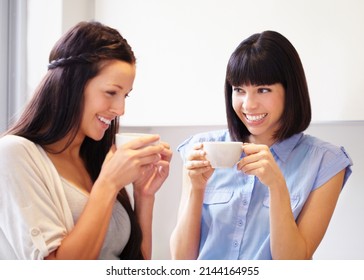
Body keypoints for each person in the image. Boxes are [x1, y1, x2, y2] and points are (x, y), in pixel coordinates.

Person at [170, 30, 352, 260]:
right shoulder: (201, 149)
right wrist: (196, 190)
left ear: (290, 90)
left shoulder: (326, 162)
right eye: (239, 90)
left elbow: (294, 264)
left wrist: (277, 187)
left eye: (263, 90)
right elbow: (180, 260)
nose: (249, 104)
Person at [0, 21, 172, 260]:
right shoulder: (14, 154)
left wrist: (144, 195)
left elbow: (134, 265)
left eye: (125, 96)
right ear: (71, 85)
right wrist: (108, 183)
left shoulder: (95, 158)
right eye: (111, 92)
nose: (120, 109)